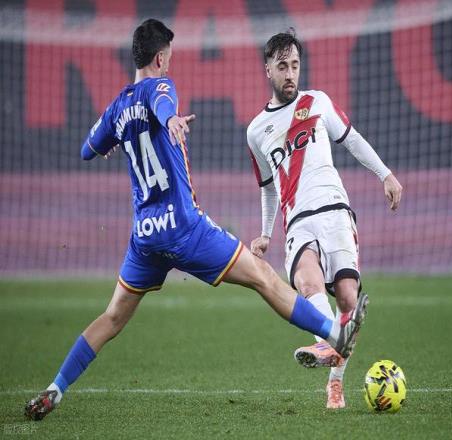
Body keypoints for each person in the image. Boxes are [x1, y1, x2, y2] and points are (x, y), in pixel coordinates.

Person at [24, 19, 366, 421]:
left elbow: (87, 149)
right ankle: (335, 334)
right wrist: (169, 119)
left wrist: (113, 141)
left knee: (112, 317)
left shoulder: (117, 107)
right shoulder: (162, 87)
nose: (169, 63)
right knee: (263, 277)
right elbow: (162, 104)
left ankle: (55, 389)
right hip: (184, 227)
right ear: (159, 58)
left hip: (145, 236)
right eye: (168, 57)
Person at [247, 30, 402, 409]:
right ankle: (327, 343)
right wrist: (265, 233)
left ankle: (335, 381)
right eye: (282, 66)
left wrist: (385, 174)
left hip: (335, 209)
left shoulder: (317, 101)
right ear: (268, 70)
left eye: (295, 65)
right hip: (297, 220)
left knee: (348, 296)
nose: (290, 74)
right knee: (307, 282)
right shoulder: (255, 131)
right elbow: (268, 188)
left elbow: (352, 139)